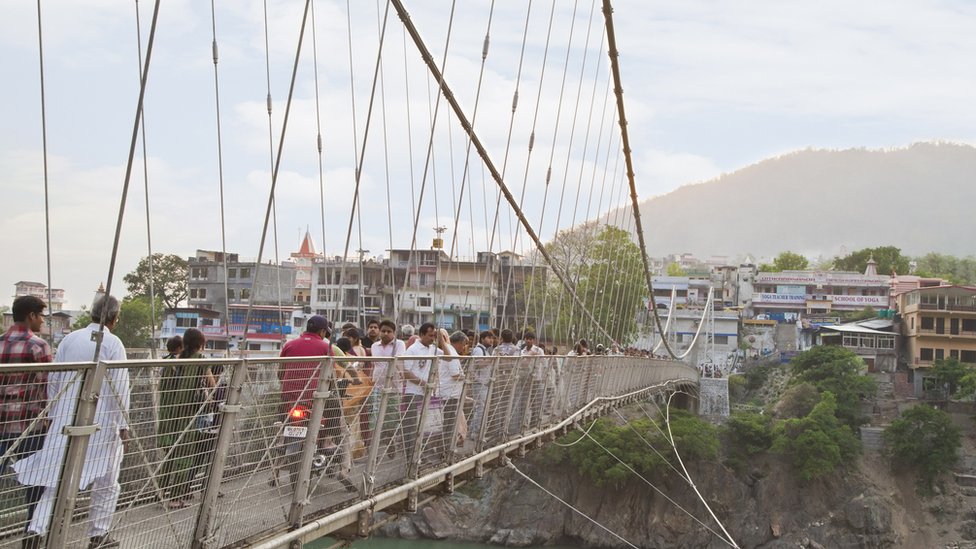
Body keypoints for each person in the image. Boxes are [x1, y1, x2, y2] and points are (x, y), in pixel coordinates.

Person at [15, 295, 130, 549]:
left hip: (66, 421)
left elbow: (54, 380)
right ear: (114, 318)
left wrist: (54, 413)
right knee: (107, 482)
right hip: (102, 423)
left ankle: (36, 530)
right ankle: (99, 535)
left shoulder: (69, 339)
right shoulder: (113, 343)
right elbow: (121, 387)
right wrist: (124, 425)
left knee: (57, 479)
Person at [278, 316, 356, 492]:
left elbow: (280, 372)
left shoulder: (289, 345)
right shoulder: (325, 347)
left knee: (282, 424)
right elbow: (333, 373)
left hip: (289, 398)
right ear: (322, 332)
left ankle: (276, 465)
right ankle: (344, 469)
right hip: (316, 399)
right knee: (341, 429)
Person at [0, 296, 51, 545]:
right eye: (41, 315)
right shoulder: (38, 346)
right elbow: (47, 387)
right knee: (34, 483)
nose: (42, 320)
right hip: (30, 426)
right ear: (31, 315)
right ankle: (31, 535)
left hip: (2, 425)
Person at [157, 328, 218, 509]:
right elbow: (212, 385)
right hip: (187, 414)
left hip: (169, 415)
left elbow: (162, 387)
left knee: (170, 454)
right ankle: (176, 498)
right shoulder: (200, 361)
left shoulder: (174, 360)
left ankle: (160, 491)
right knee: (185, 456)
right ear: (200, 343)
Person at [401, 323, 449, 465]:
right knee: (411, 427)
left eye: (434, 336)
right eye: (430, 335)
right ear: (421, 334)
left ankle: (420, 455)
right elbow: (406, 372)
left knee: (424, 427)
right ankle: (410, 458)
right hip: (413, 393)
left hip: (427, 395)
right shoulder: (413, 350)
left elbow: (448, 357)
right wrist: (423, 383)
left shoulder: (433, 349)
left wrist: (442, 341)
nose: (432, 338)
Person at [368, 320, 405, 457]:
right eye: (383, 331)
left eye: (389, 331)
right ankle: (373, 452)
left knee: (391, 418)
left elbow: (399, 359)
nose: (385, 333)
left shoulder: (399, 344)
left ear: (394, 333)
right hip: (377, 386)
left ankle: (390, 441)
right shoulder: (374, 346)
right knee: (375, 418)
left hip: (394, 388)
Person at [437, 331, 466, 455]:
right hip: (450, 394)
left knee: (447, 422)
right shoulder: (451, 352)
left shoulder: (448, 350)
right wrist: (466, 377)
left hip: (447, 392)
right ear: (460, 342)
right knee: (448, 423)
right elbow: (455, 374)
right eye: (464, 344)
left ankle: (444, 448)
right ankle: (446, 449)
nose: (464, 347)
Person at [466, 330, 494, 444]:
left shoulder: (485, 351)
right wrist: (493, 359)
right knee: (480, 408)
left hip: (483, 382)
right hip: (479, 383)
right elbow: (478, 364)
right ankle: (475, 433)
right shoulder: (479, 350)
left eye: (492, 338)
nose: (491, 340)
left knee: (481, 408)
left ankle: (473, 431)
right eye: (488, 338)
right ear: (482, 339)